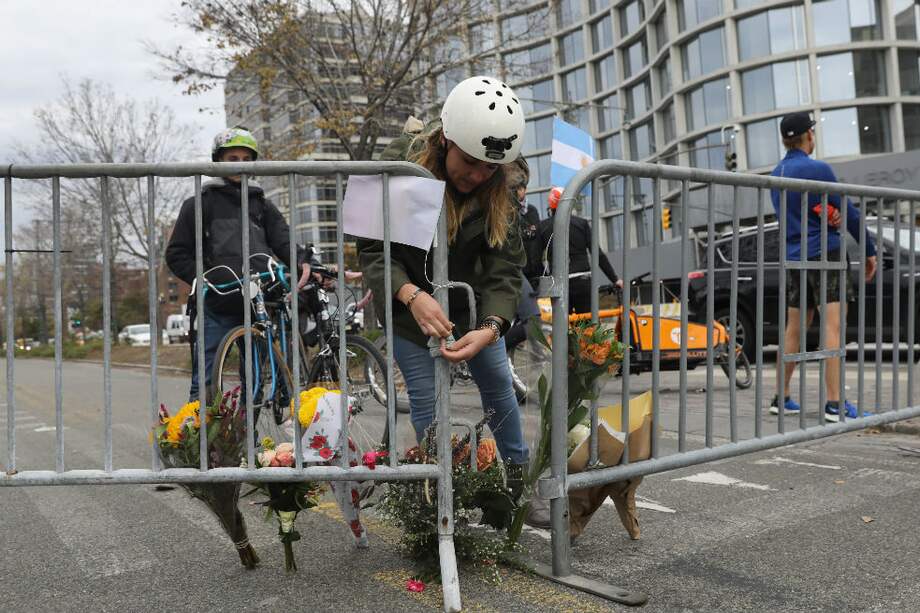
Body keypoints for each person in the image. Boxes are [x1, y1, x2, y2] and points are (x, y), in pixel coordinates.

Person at [357, 76, 530, 490]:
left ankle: (521, 484)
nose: (477, 174)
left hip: (473, 314)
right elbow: (370, 250)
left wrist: (490, 327)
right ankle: (442, 495)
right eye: (469, 161)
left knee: (501, 392)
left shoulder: (501, 185)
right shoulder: (398, 163)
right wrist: (411, 295)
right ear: (447, 141)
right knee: (427, 404)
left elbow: (505, 268)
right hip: (409, 311)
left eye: (489, 166)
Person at [165, 126, 317, 402]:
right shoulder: (199, 204)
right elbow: (176, 253)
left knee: (256, 379)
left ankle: (249, 438)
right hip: (216, 305)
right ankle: (199, 441)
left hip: (257, 305)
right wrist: (204, 279)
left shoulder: (262, 205)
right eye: (232, 158)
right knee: (206, 381)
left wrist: (307, 264)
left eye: (247, 159)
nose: (241, 165)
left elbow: (284, 242)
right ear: (218, 161)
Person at [769, 112, 877, 422]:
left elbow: (816, 210)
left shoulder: (777, 173)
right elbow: (848, 212)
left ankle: (782, 396)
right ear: (808, 136)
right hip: (825, 253)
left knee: (794, 327)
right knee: (832, 326)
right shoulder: (817, 169)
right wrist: (868, 250)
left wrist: (826, 213)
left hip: (794, 256)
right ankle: (834, 404)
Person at [538, 186, 624, 315]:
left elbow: (536, 259)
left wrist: (543, 281)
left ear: (551, 205)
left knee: (562, 329)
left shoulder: (543, 227)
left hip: (558, 285)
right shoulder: (581, 224)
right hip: (582, 281)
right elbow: (597, 254)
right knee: (587, 326)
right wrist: (614, 279)